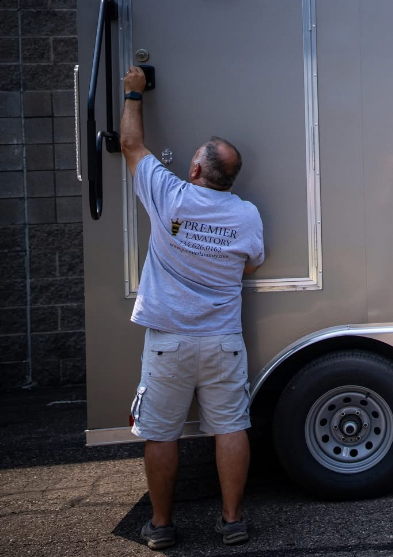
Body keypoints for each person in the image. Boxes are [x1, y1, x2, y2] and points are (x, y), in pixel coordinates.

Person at [119, 66, 264, 550]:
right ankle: (232, 521)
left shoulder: (169, 196)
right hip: (222, 341)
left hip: (168, 341)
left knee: (162, 434)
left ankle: (161, 526)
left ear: (196, 170)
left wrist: (134, 93)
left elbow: (131, 145)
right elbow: (250, 264)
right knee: (231, 427)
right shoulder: (246, 214)